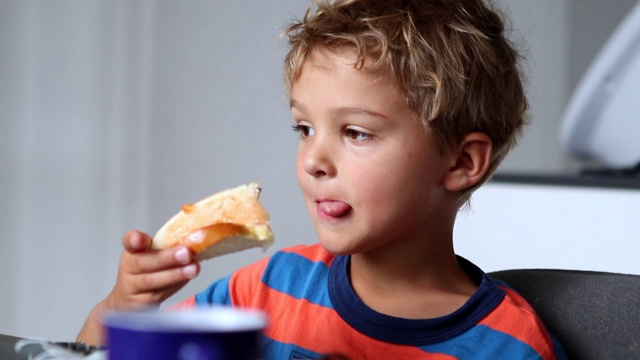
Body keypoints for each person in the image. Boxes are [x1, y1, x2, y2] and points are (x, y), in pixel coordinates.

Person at [78, 0, 567, 358]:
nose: (314, 158)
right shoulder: (262, 293)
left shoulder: (510, 347)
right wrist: (126, 305)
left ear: (461, 163)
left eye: (356, 132)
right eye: (304, 128)